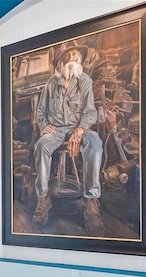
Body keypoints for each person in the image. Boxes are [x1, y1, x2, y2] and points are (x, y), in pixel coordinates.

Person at [32, 45, 104, 237]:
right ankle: (43, 197)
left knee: (95, 143)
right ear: (61, 62)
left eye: (76, 56)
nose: (73, 58)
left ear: (80, 63)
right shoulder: (50, 83)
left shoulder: (85, 81)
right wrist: (44, 124)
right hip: (55, 130)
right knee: (41, 146)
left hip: (78, 128)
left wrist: (80, 130)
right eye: (68, 55)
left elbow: (90, 112)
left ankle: (90, 201)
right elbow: (41, 111)